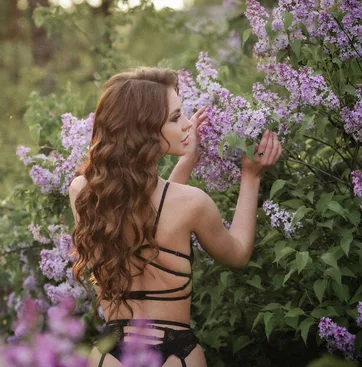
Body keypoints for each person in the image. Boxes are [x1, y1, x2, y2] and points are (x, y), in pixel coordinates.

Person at [68, 67, 282, 367]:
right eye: (175, 118)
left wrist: (187, 160)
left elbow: (151, 217)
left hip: (111, 354)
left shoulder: (84, 194)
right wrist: (251, 177)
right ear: (143, 130)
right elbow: (237, 254)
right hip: (176, 355)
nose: (186, 125)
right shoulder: (192, 203)